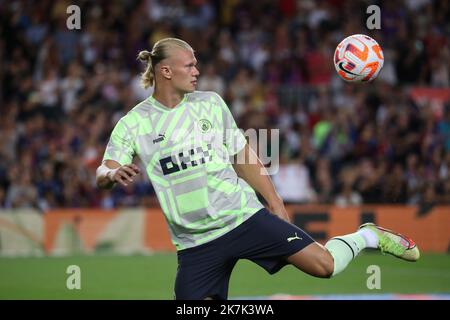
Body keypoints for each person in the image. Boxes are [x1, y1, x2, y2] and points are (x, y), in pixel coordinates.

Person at [96, 38, 420, 300]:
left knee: (325, 266)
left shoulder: (209, 103)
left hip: (243, 217)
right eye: (190, 65)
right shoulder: (134, 123)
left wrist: (275, 202)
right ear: (166, 71)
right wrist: (111, 175)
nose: (197, 70)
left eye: (196, 63)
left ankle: (367, 236)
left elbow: (242, 155)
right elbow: (104, 170)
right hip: (195, 245)